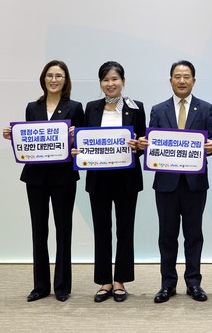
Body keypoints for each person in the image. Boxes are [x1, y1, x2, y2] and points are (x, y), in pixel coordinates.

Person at [2, 60, 84, 302]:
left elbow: (82, 143)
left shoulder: (75, 107)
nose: (54, 80)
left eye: (59, 76)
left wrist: (75, 140)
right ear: (43, 79)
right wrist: (13, 136)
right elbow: (30, 141)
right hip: (36, 177)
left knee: (63, 230)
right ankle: (40, 286)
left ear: (66, 81)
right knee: (39, 230)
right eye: (50, 75)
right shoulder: (33, 107)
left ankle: (62, 286)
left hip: (64, 177)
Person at [138, 60, 212, 303]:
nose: (182, 81)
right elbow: (151, 141)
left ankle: (194, 283)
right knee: (167, 236)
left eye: (186, 76)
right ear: (170, 80)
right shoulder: (158, 109)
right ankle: (167, 284)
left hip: (195, 183)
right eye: (177, 76)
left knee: (194, 235)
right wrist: (145, 144)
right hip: (166, 184)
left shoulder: (205, 108)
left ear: (193, 80)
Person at [75, 61, 146, 303]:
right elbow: (84, 140)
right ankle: (104, 281)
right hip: (99, 179)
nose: (110, 84)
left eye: (115, 79)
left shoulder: (136, 107)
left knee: (125, 230)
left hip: (127, 179)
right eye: (106, 80)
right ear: (100, 83)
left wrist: (138, 146)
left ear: (123, 81)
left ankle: (120, 281)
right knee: (102, 229)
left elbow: (143, 143)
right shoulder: (91, 107)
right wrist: (78, 150)